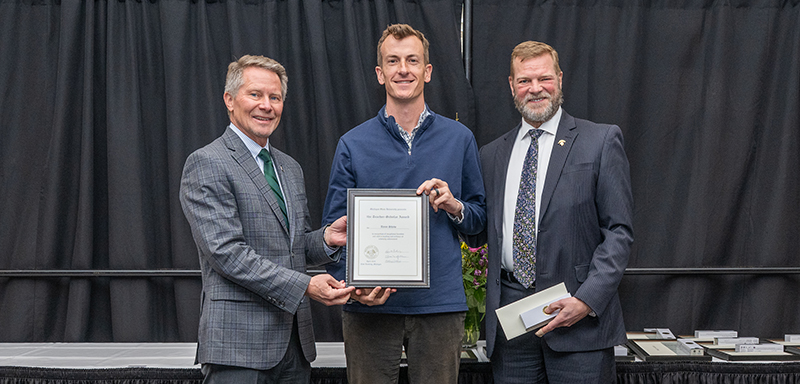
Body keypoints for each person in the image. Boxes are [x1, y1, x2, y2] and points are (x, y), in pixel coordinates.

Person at [321, 24, 486, 384]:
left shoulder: (460, 139)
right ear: (380, 74)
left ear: (427, 71)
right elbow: (334, 231)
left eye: (413, 60)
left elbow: (479, 221)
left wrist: (455, 206)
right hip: (370, 309)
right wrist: (352, 287)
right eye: (393, 61)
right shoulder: (352, 143)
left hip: (439, 306)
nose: (403, 69)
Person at [179, 55, 355, 383]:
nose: (266, 106)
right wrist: (306, 285)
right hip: (238, 346)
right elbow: (227, 254)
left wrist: (328, 237)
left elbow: (294, 246)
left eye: (275, 97)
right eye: (255, 95)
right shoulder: (207, 163)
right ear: (229, 100)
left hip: (294, 346)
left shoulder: (289, 167)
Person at [474, 41, 633, 383]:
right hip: (512, 329)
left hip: (580, 326)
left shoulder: (600, 141)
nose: (535, 89)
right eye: (524, 81)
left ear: (560, 79)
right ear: (511, 85)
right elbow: (482, 230)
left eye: (544, 78)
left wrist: (587, 300)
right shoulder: (491, 155)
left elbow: (618, 232)